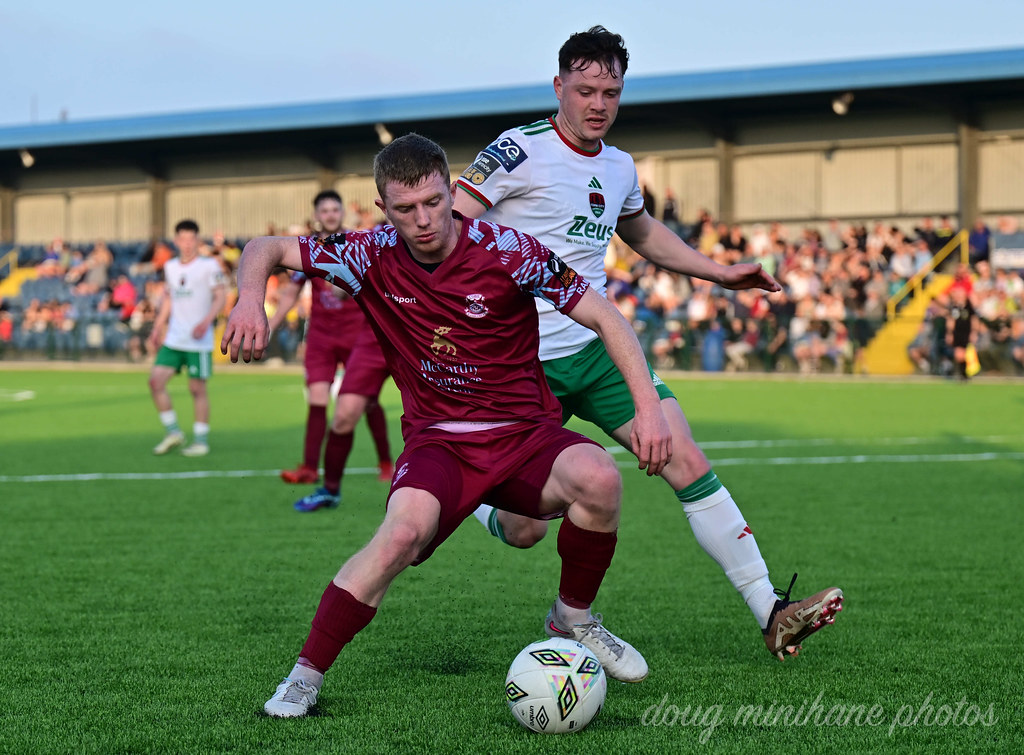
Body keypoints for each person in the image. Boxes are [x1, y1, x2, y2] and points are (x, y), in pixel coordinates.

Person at [221, 133, 671, 717]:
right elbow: (264, 245)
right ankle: (303, 676)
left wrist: (650, 408)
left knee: (598, 478)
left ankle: (574, 618)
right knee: (401, 536)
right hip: (440, 441)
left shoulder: (510, 250)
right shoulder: (368, 253)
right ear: (384, 208)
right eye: (405, 209)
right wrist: (248, 299)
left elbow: (606, 317)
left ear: (449, 188)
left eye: (434, 201)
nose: (424, 219)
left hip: (524, 434)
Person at [453, 25, 843, 662]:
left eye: (610, 91)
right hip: (520, 364)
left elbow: (640, 230)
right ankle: (472, 492)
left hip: (598, 351)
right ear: (559, 87)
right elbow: (448, 228)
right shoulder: (516, 151)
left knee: (683, 455)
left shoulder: (619, 165)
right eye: (584, 90)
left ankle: (770, 609)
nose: (598, 104)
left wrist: (719, 271)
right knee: (524, 527)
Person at [269, 190, 393, 505]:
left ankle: (385, 463)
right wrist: (271, 325)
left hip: (357, 334)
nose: (330, 214)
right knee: (317, 398)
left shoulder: (356, 244)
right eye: (324, 210)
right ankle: (310, 468)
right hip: (322, 337)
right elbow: (290, 293)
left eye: (334, 209)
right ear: (316, 215)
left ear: (341, 214)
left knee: (366, 403)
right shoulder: (307, 250)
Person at [147, 220, 227, 456]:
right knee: (155, 382)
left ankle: (201, 440)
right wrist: (157, 327)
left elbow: (220, 297)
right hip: (174, 337)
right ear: (176, 241)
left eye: (192, 239)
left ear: (198, 241)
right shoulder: (170, 267)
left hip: (198, 340)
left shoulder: (209, 265)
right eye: (183, 239)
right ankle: (173, 432)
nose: (187, 244)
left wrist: (206, 322)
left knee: (197, 389)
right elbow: (169, 300)